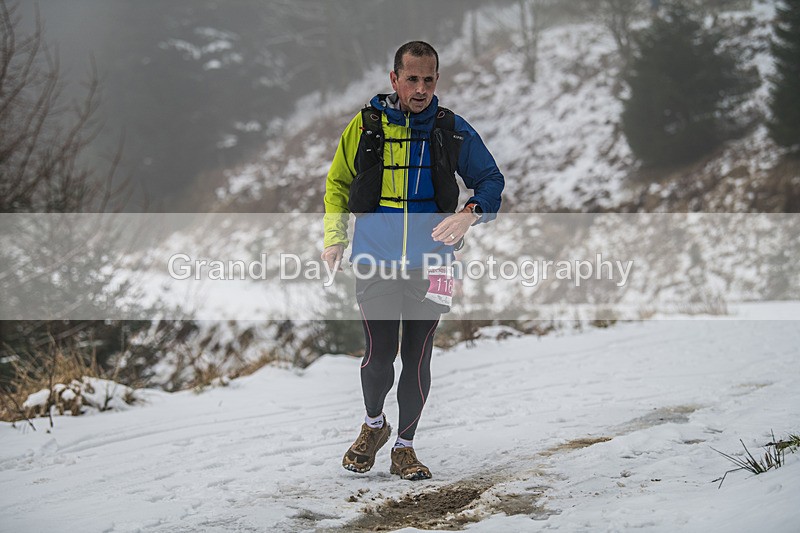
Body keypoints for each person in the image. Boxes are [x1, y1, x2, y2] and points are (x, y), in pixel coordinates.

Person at [321, 41, 504, 481]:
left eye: (428, 79)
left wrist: (469, 214)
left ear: (436, 80)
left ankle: (405, 446)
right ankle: (373, 426)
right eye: (411, 79)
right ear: (394, 79)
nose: (420, 88)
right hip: (374, 259)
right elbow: (338, 185)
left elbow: (490, 181)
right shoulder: (365, 127)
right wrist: (333, 239)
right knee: (378, 356)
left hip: (435, 263)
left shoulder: (453, 130)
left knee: (417, 356)